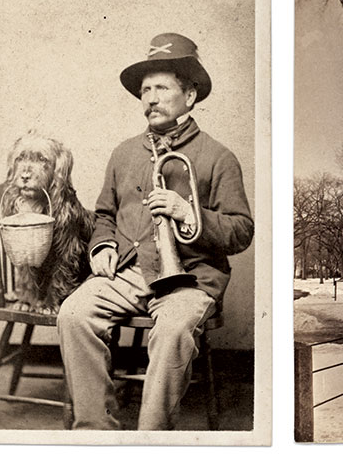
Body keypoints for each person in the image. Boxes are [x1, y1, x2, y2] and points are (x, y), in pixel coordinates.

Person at [57, 33, 254, 431]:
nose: (150, 98)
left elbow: (241, 231)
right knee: (73, 313)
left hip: (191, 279)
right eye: (146, 90)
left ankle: (152, 439)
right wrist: (103, 246)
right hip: (129, 272)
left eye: (162, 88)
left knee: (174, 331)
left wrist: (187, 211)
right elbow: (104, 214)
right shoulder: (124, 152)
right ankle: (95, 432)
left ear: (190, 95)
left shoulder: (218, 156)